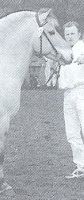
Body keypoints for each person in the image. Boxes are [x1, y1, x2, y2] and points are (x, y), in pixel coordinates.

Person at [58, 21, 84, 179]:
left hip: (82, 91)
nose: (69, 37)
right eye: (67, 34)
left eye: (72, 33)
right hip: (67, 94)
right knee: (72, 133)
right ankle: (81, 166)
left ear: (79, 34)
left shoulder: (82, 47)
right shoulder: (64, 51)